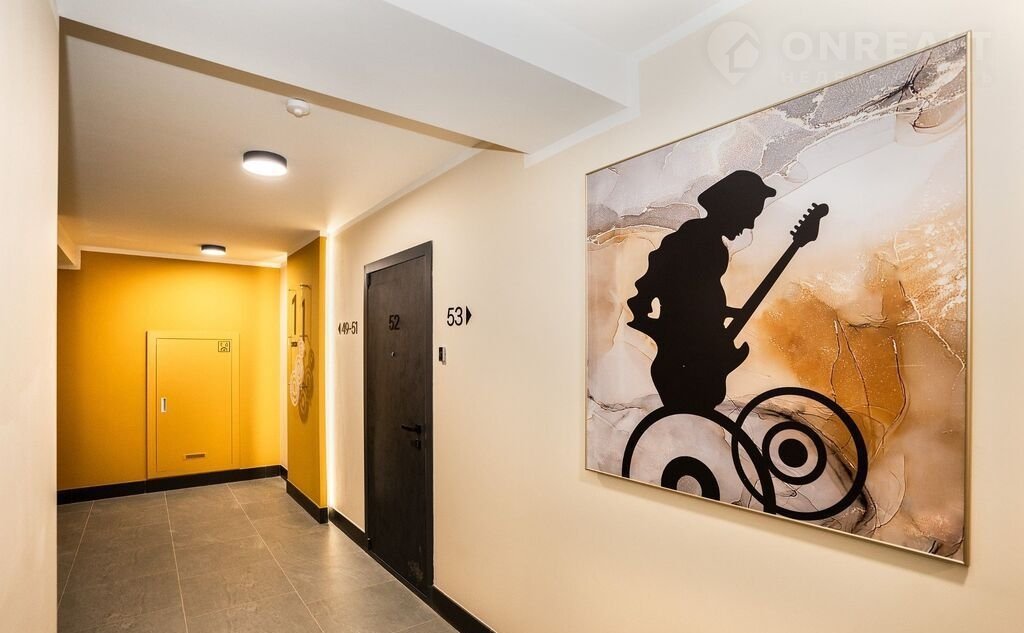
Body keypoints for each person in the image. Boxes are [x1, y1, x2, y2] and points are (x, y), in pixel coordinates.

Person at [627, 170, 776, 413]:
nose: (749, 224)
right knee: (702, 394)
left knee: (709, 394)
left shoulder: (709, 241)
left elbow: (697, 295)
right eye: (748, 215)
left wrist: (723, 312)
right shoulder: (694, 237)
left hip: (697, 346)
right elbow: (668, 281)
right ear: (730, 209)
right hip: (683, 359)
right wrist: (645, 306)